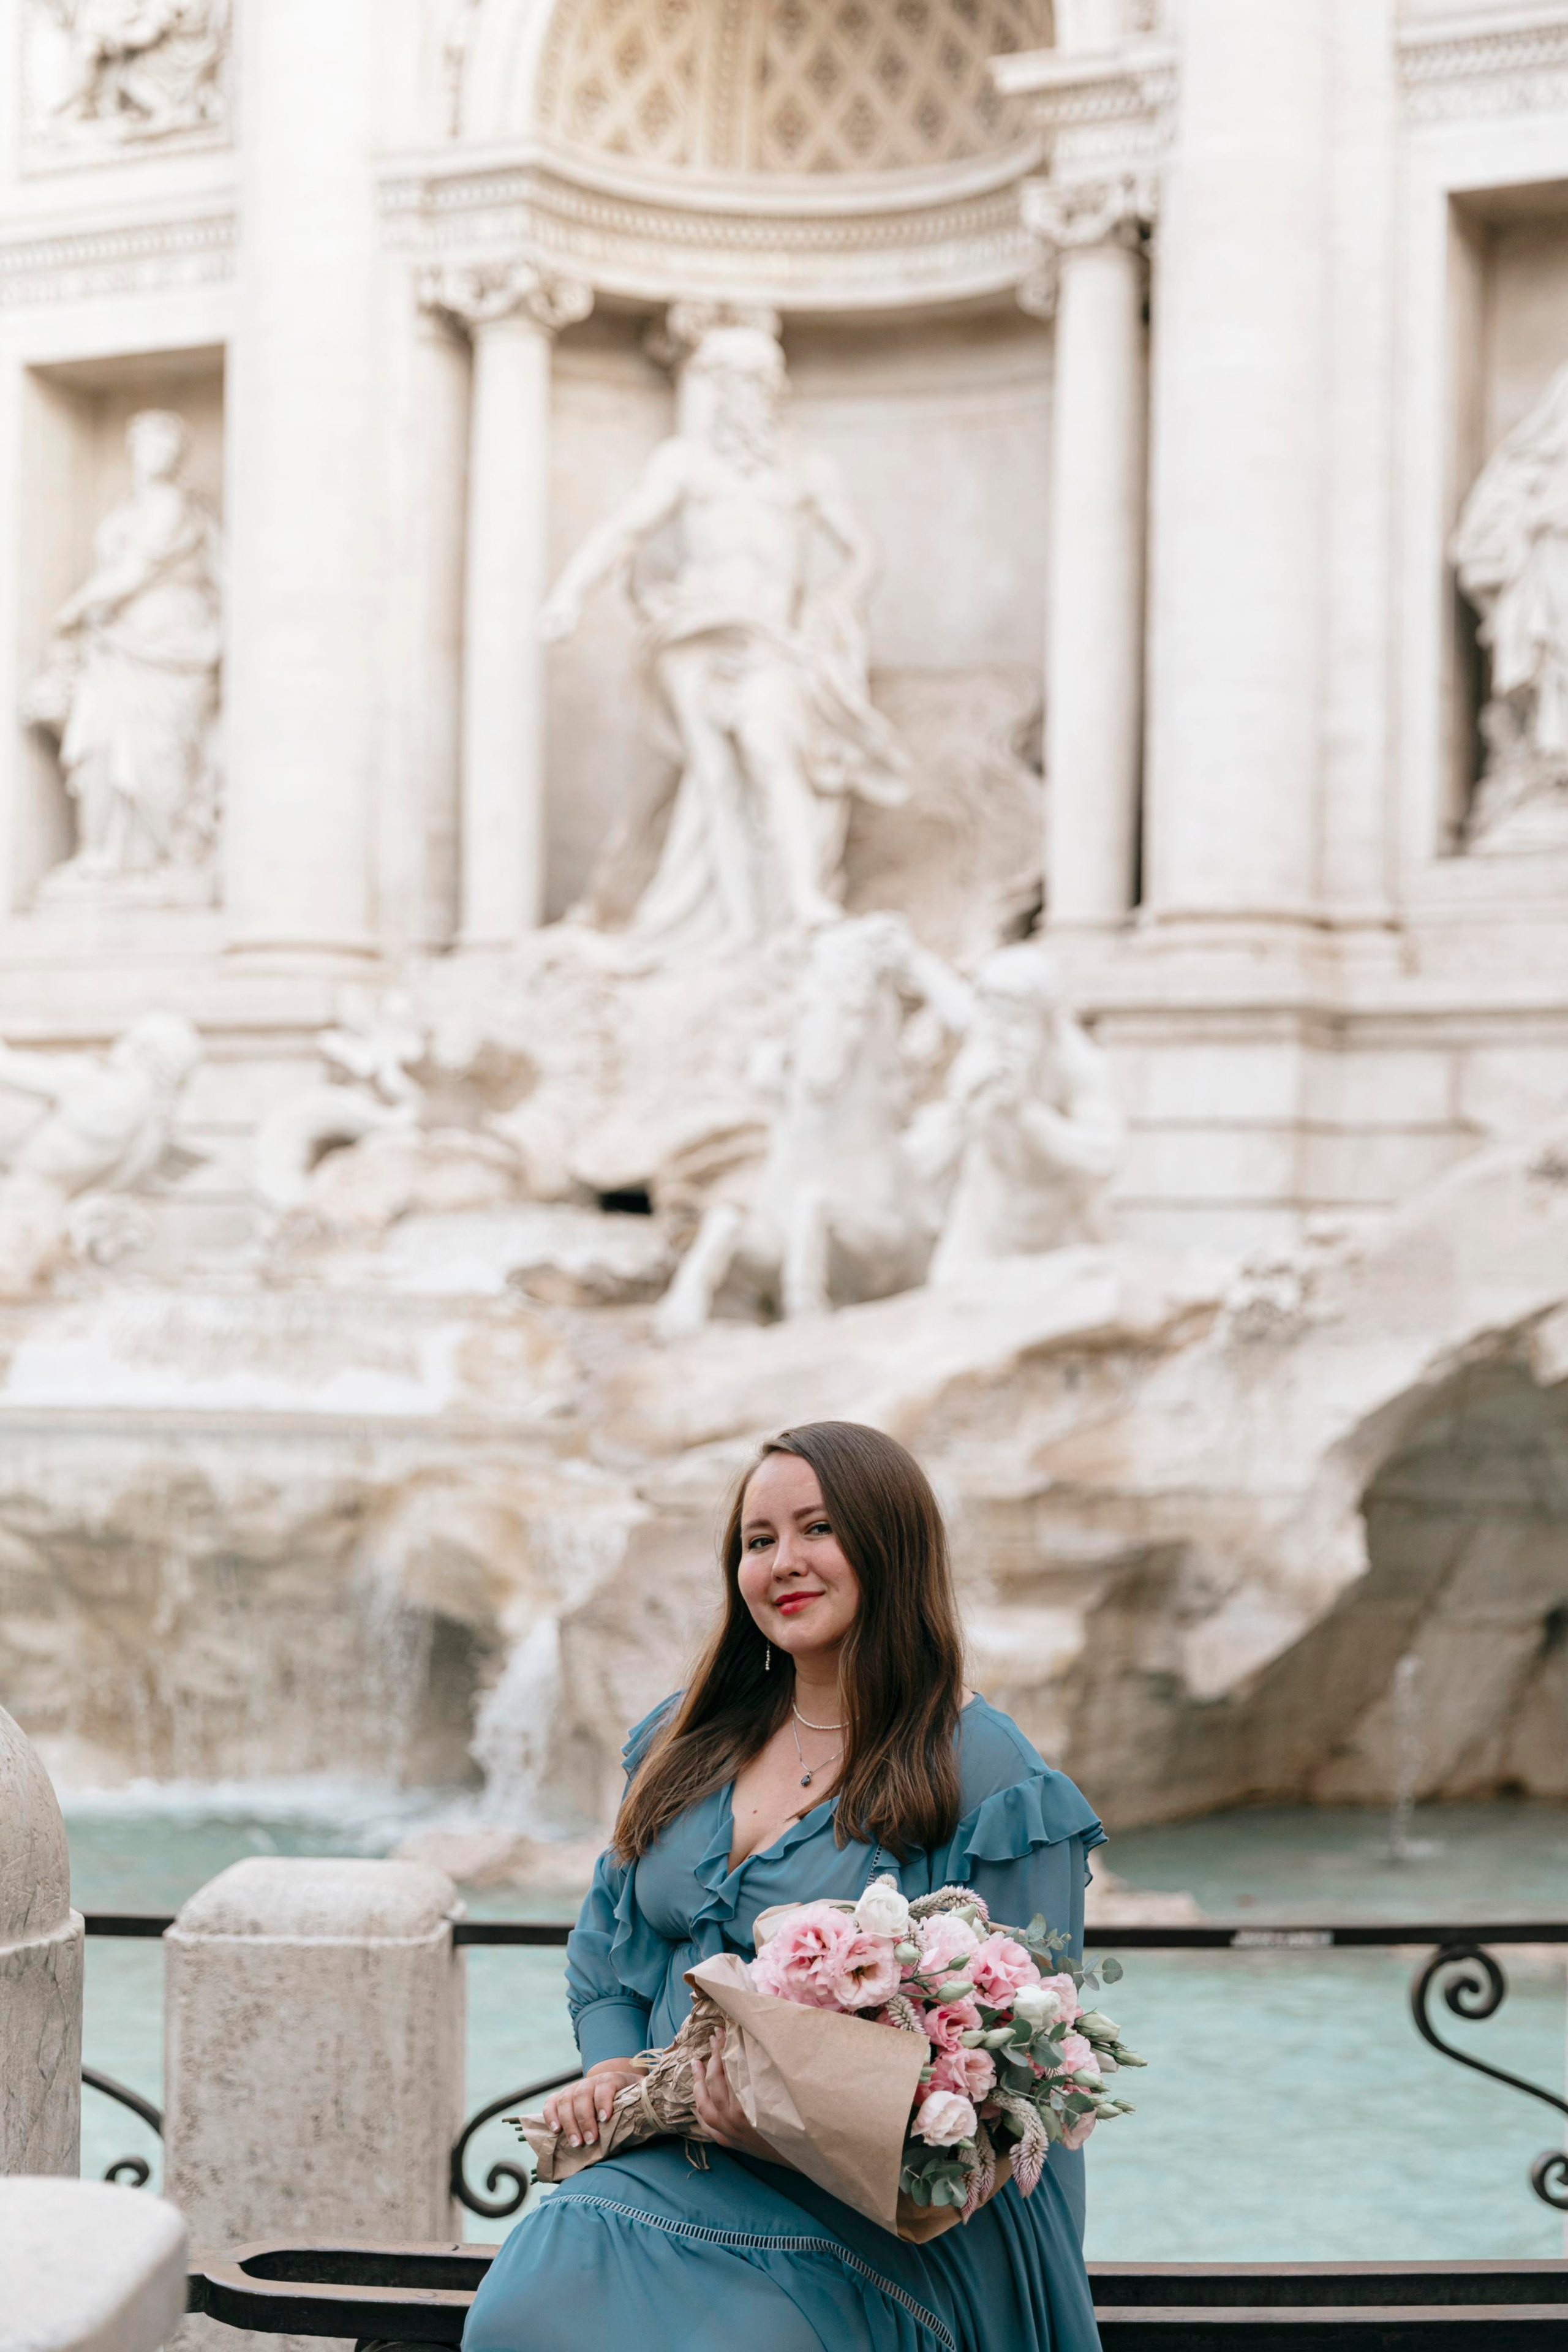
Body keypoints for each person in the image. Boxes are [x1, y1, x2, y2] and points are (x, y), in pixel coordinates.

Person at [464, 1420, 1105, 2352]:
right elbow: (609, 1949)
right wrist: (611, 2069)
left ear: (890, 1546)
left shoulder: (989, 1773)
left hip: (891, 2219)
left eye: (818, 1529)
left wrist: (791, 2126)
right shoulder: (683, 1741)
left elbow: (1026, 2070)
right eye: (758, 1541)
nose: (783, 1563)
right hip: (669, 2162)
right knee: (523, 2313)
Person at [538, 326, 907, 965]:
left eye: (741, 384)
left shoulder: (806, 470)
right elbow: (624, 532)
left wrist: (830, 609)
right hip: (695, 631)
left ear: (770, 389)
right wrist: (568, 593)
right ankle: (739, 928)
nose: (729, 398)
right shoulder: (685, 463)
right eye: (720, 384)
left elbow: (863, 554)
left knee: (769, 747)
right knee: (713, 778)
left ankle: (802, 899)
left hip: (768, 638)